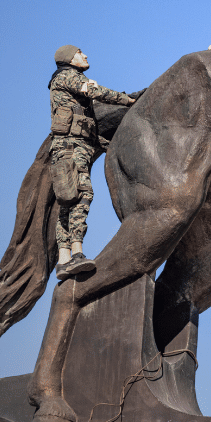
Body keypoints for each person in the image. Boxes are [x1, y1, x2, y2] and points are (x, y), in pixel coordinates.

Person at [47, 44, 135, 280]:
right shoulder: (67, 77)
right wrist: (128, 101)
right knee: (81, 193)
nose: (85, 55)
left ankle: (64, 261)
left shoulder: (70, 81)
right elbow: (96, 93)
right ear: (68, 59)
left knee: (70, 199)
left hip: (77, 145)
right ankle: (76, 253)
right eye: (79, 53)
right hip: (70, 146)